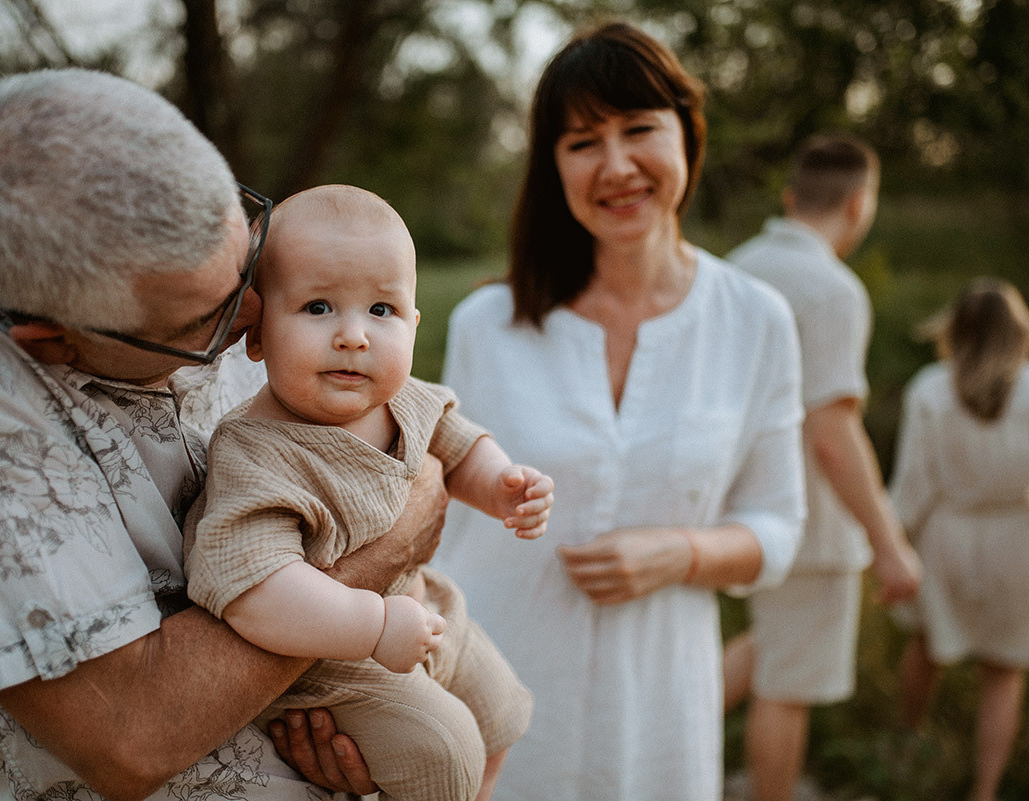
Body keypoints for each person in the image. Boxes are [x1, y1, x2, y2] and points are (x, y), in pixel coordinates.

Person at [0, 68, 450, 801]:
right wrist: (385, 553)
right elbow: (132, 734)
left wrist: (377, 724)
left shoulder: (204, 288)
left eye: (249, 259)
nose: (259, 313)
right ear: (53, 340)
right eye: (208, 321)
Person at [430, 21, 806, 801]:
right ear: (552, 164)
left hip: (660, 703)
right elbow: (437, 517)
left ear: (687, 134)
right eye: (582, 142)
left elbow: (778, 524)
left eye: (638, 129)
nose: (616, 165)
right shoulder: (487, 325)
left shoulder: (757, 320)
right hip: (495, 687)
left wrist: (682, 552)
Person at [184, 184, 549, 801]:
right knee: (446, 751)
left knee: (502, 713)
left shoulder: (399, 398)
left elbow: (456, 442)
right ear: (257, 334)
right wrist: (373, 625)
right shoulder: (258, 452)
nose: (354, 335)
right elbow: (255, 589)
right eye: (318, 307)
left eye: (381, 310)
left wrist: (502, 484)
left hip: (420, 609)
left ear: (412, 325)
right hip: (327, 662)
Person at [719, 133, 922, 800]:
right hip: (806, 519)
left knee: (772, 647)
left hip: (737, 507)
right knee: (790, 688)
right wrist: (889, 543)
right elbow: (832, 432)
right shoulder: (833, 290)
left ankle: (653, 753)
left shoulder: (732, 269)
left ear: (790, 198)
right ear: (859, 204)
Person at [890, 278, 1029, 801]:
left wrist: (891, 540)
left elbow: (914, 482)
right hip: (1016, 540)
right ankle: (984, 790)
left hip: (946, 537)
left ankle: (904, 752)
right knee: (1004, 669)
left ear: (957, 329)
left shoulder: (929, 388)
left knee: (927, 646)